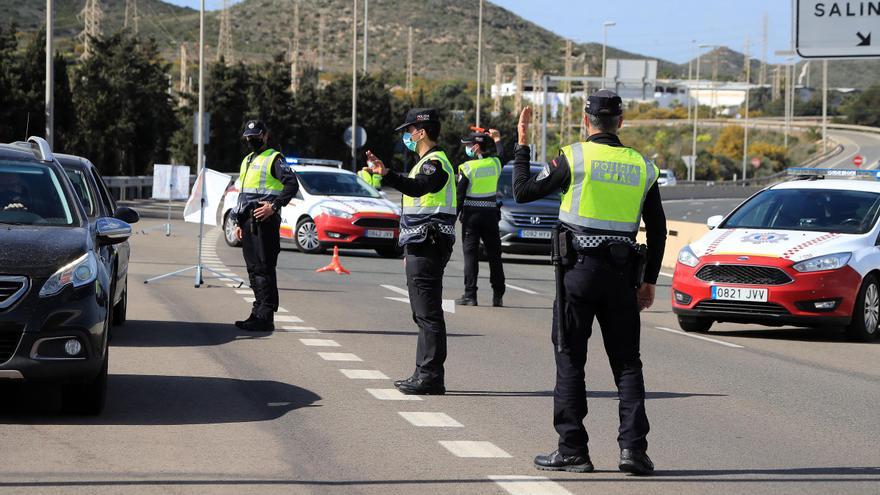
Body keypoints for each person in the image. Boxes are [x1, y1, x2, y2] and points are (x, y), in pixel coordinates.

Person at [514, 90, 667, 476]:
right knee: (628, 364)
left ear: (586, 122)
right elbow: (659, 230)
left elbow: (523, 192)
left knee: (570, 359)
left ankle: (572, 450)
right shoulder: (642, 166)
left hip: (577, 274)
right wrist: (649, 281)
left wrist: (521, 146)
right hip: (622, 277)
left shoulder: (574, 156)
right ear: (620, 122)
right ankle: (633, 451)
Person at [363, 108, 456, 395]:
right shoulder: (426, 163)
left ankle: (429, 376)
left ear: (422, 132)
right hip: (422, 243)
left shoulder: (435, 164)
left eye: (410, 131)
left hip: (428, 243)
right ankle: (424, 373)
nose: (407, 136)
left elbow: (418, 189)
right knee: (423, 313)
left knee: (427, 313)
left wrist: (388, 174)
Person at [233, 120, 299, 332]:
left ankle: (265, 315)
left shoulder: (274, 158)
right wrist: (237, 221)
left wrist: (274, 206)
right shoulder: (247, 160)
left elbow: (291, 185)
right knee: (253, 269)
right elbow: (243, 194)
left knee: (263, 268)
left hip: (264, 221)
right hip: (248, 220)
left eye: (256, 136)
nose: (252, 140)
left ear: (265, 136)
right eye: (249, 137)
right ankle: (258, 310)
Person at [455, 131, 505, 307]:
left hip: (471, 217)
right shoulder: (495, 164)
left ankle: (470, 295)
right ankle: (498, 294)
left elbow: (459, 197)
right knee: (494, 256)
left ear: (476, 147)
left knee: (471, 256)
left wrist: (450, 219)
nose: (467, 148)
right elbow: (502, 155)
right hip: (491, 215)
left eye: (468, 145)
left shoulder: (467, 167)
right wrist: (497, 139)